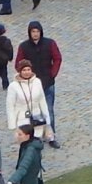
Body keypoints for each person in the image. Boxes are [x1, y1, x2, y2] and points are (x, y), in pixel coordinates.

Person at [16, 20, 62, 148]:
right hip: (31, 85)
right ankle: (36, 136)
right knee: (34, 113)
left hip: (48, 83)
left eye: (37, 31)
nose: (35, 34)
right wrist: (26, 76)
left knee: (49, 111)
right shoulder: (24, 46)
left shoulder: (50, 43)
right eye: (33, 32)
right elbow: (18, 64)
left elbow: (57, 58)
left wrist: (53, 73)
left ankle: (51, 136)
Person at [5, 60, 50, 148]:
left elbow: (42, 100)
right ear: (20, 71)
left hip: (37, 118)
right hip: (22, 119)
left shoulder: (37, 82)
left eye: (28, 69)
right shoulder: (13, 86)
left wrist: (47, 118)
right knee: (25, 145)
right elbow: (10, 106)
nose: (26, 72)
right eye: (24, 70)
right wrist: (12, 125)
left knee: (36, 144)